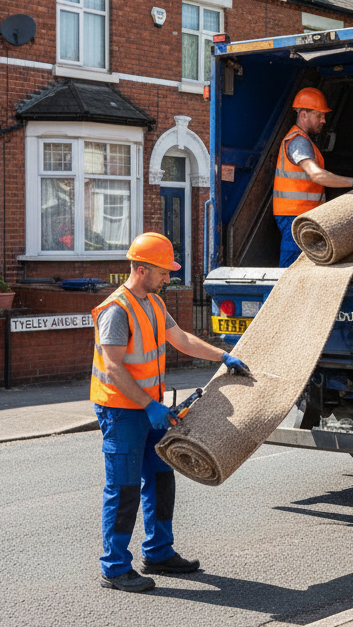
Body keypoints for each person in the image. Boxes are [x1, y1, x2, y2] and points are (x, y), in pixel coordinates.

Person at [91, 232, 250, 593]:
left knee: (162, 479)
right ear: (142, 269)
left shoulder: (153, 304)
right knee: (124, 488)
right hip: (122, 412)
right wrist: (149, 406)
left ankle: (159, 553)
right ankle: (114, 568)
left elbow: (181, 339)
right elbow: (114, 368)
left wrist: (222, 356)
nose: (169, 278)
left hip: (151, 410)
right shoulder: (116, 310)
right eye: (164, 272)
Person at [274, 87, 353, 267]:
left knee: (301, 267)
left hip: (300, 214)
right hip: (294, 216)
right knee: (290, 270)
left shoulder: (303, 140)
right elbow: (316, 174)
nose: (323, 120)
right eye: (319, 115)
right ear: (303, 114)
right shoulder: (298, 141)